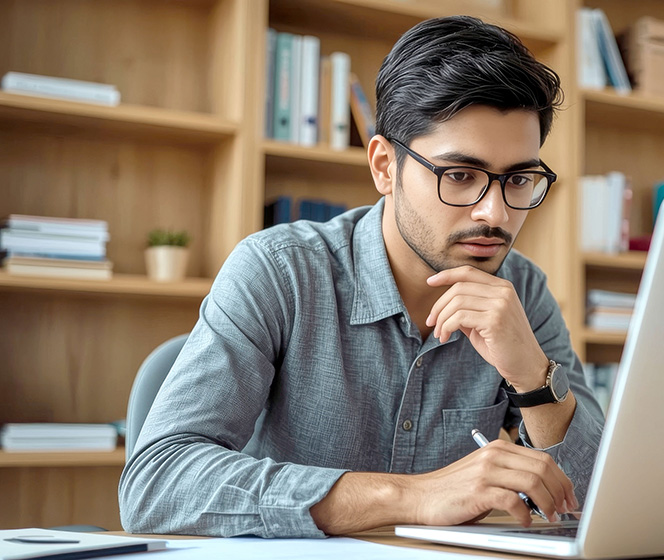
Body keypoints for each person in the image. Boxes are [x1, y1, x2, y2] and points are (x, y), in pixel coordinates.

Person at [119, 15, 604, 538]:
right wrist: (412, 496)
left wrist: (534, 378)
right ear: (383, 166)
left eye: (519, 179)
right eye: (460, 176)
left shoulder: (523, 290)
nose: (495, 213)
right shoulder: (279, 271)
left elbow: (598, 500)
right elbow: (156, 483)